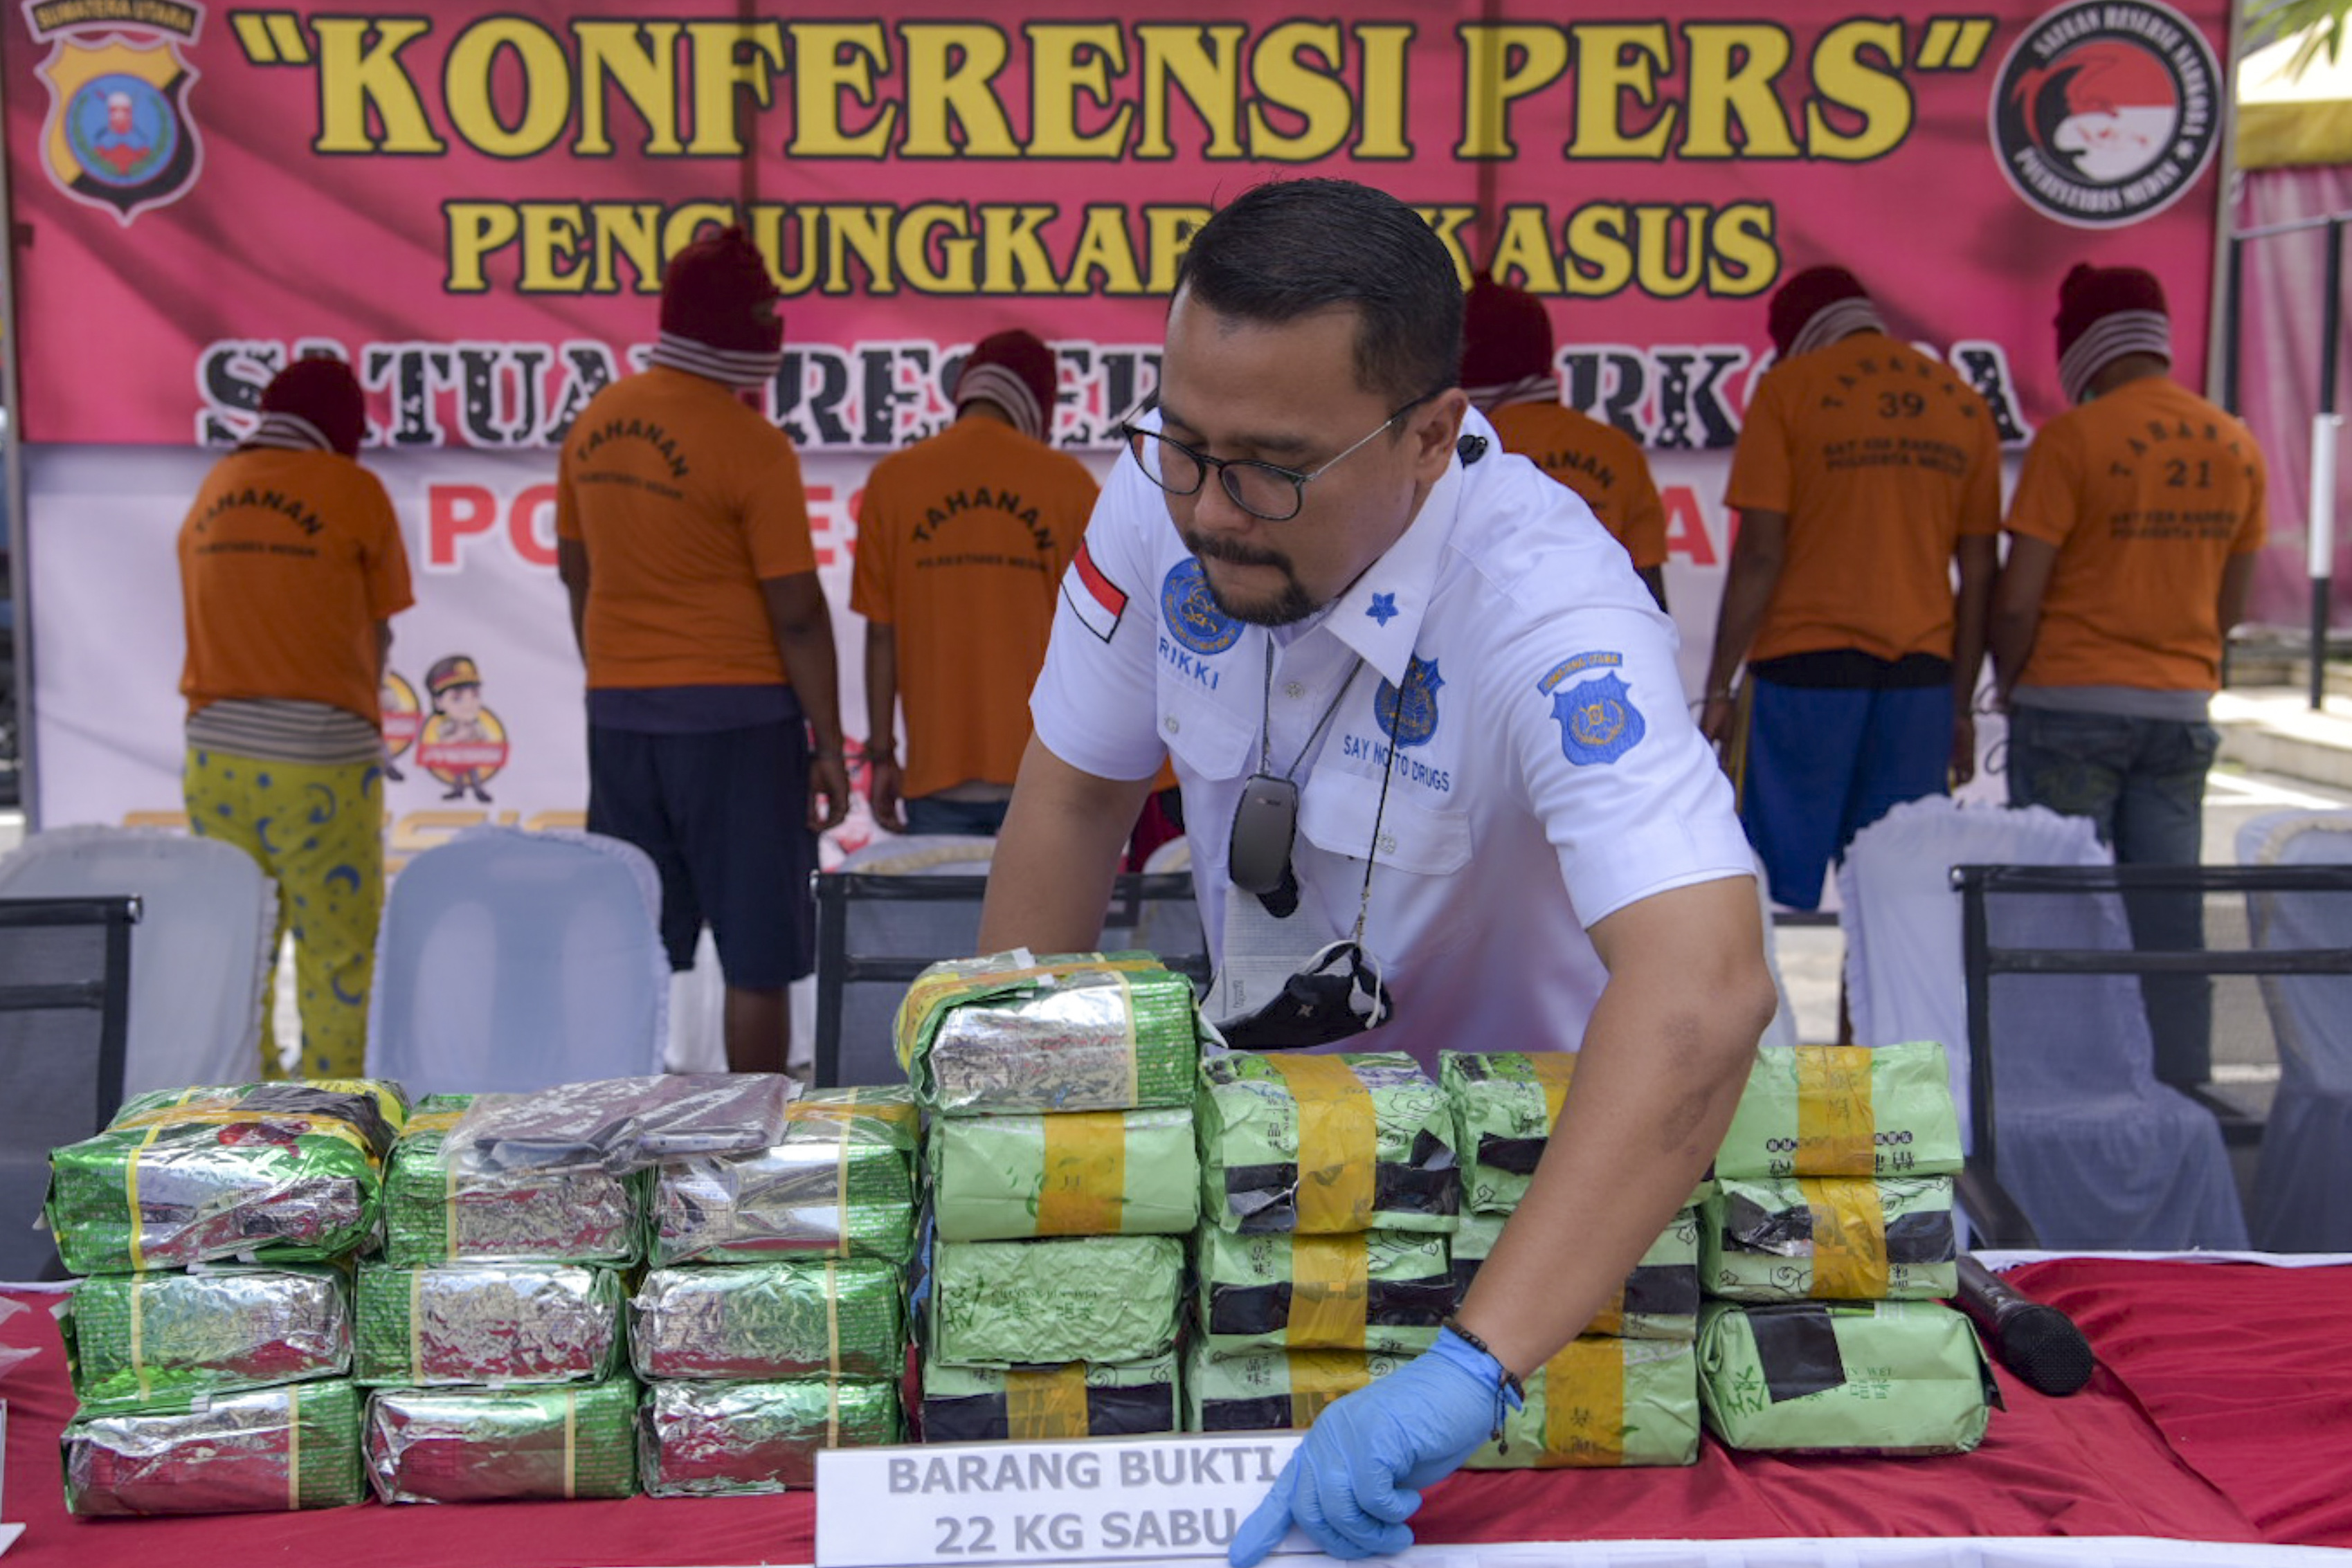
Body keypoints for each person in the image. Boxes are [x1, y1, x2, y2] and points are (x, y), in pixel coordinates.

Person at [973, 178, 1775, 1562]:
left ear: (1428, 436)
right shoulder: (1164, 500)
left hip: (1550, 1224)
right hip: (1285, 1181)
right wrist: (1002, 1149)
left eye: (1272, 468)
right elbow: (1073, 797)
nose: (1210, 508)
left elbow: (1703, 990)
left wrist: (1474, 1363)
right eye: (1182, 443)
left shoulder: (1552, 609)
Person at [555, 224, 849, 1075]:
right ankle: (756, 1132)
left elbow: (577, 574)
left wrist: (615, 675)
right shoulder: (751, 444)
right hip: (740, 726)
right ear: (742, 328)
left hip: (621, 720)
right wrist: (830, 746)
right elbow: (797, 613)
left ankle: (619, 1128)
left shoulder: (594, 426)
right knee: (757, 954)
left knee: (632, 946)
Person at [1991, 264, 2268, 1089]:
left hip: (2067, 705)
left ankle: (2061, 1091)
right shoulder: (2235, 444)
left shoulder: (2073, 440)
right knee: (2169, 920)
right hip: (2177, 711)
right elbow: (2229, 607)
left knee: (2057, 917)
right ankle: (2180, 1094)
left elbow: (2017, 600)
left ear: (2083, 342)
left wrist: (2009, 684)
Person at [1701, 266, 2001, 911]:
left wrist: (1720, 686)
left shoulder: (1789, 389)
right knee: (1898, 898)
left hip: (1803, 676)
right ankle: (1872, 989)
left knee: (1763, 891)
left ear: (1796, 336)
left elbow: (1760, 554)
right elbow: (1979, 572)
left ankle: (1769, 986)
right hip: (1920, 681)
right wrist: (1960, 706)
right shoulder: (1961, 402)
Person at [178, 356, 413, 1080]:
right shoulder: (354, 490)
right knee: (336, 953)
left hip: (214, 757)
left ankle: (242, 1115)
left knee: (238, 945)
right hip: (320, 761)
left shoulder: (216, 486)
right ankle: (330, 1117)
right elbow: (379, 631)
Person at [851, 329, 1095, 836]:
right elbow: (1098, 638)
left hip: (935, 774)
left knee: (948, 893)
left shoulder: (894, 480)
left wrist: (882, 753)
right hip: (1045, 770)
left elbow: (880, 636)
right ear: (1040, 402)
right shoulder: (1068, 484)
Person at [1460, 273, 1670, 608]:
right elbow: (1650, 595)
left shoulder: (1457, 451)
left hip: (1491, 633)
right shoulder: (1617, 451)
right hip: (1602, 630)